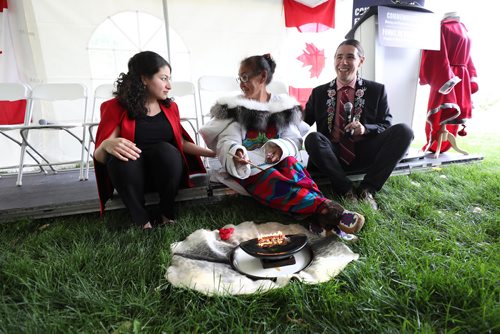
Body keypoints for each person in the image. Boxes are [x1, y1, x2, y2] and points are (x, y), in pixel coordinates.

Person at [199, 54, 365, 237]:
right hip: (250, 165)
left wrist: (280, 148)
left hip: (279, 158)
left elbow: (293, 139)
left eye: (245, 77)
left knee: (294, 169)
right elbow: (226, 141)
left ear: (262, 77)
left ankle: (314, 218)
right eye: (240, 78)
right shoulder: (235, 107)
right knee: (273, 180)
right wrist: (236, 151)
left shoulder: (282, 106)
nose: (241, 83)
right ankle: (328, 210)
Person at [94, 51, 215, 229]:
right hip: (131, 179)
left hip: (164, 176)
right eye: (164, 78)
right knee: (123, 159)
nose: (169, 86)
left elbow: (181, 143)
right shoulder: (114, 107)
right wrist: (106, 144)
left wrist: (213, 152)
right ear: (144, 79)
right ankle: (142, 221)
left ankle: (167, 212)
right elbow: (100, 157)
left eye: (169, 79)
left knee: (166, 151)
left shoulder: (170, 107)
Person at [304, 39, 414, 210]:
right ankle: (346, 190)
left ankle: (367, 189)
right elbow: (302, 123)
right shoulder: (319, 92)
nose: (343, 62)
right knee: (312, 138)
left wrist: (365, 129)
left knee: (404, 131)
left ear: (361, 61)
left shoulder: (377, 90)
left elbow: (386, 124)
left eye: (350, 57)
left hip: (365, 151)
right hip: (332, 155)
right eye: (339, 57)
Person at [419, 11, 478, 155]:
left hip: (455, 75)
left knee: (449, 109)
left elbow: (465, 57)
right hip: (450, 75)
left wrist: (466, 76)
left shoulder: (456, 28)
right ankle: (436, 141)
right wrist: (447, 78)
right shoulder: (446, 28)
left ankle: (441, 142)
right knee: (444, 109)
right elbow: (438, 54)